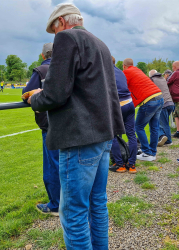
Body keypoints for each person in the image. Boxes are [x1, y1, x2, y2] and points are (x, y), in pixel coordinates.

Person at [28, 3, 125, 249]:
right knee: (97, 205)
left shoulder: (67, 38)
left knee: (73, 213)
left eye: (54, 29)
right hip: (103, 134)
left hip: (80, 137)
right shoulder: (100, 43)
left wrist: (34, 97)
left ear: (61, 22)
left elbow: (55, 93)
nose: (55, 35)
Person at [22, 43, 60, 216]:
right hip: (70, 122)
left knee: (53, 165)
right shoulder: (66, 66)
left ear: (43, 55)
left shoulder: (41, 70)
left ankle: (56, 205)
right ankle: (67, 202)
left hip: (49, 123)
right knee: (67, 163)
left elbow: (26, 93)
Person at [123, 58, 163, 161]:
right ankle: (152, 153)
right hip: (159, 96)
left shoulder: (126, 72)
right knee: (154, 127)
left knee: (139, 127)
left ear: (124, 66)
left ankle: (146, 152)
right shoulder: (138, 70)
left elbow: (122, 86)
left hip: (149, 100)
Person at [109, 56, 137, 173]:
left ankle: (119, 164)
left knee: (113, 134)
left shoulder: (106, 71)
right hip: (130, 103)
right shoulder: (121, 72)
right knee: (131, 134)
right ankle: (132, 165)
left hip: (118, 105)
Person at [149, 69, 175, 146]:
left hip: (163, 103)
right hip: (170, 102)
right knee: (164, 122)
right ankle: (164, 136)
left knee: (161, 123)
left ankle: (167, 139)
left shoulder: (152, 80)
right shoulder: (163, 79)